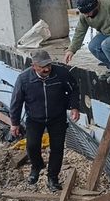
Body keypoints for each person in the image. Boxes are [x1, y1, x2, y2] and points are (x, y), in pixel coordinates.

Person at [9, 49, 80, 190]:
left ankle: (52, 177)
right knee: (32, 145)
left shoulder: (61, 74)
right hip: (35, 118)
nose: (47, 69)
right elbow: (16, 101)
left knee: (57, 148)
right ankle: (36, 166)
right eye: (42, 67)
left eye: (48, 65)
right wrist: (14, 123)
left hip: (57, 117)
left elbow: (74, 89)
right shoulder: (24, 79)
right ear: (33, 65)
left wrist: (74, 107)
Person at [64, 0, 110, 83]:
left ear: (96, 6)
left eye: (88, 12)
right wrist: (71, 49)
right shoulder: (85, 15)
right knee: (93, 46)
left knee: (107, 45)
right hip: (108, 34)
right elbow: (79, 32)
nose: (86, 15)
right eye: (84, 13)